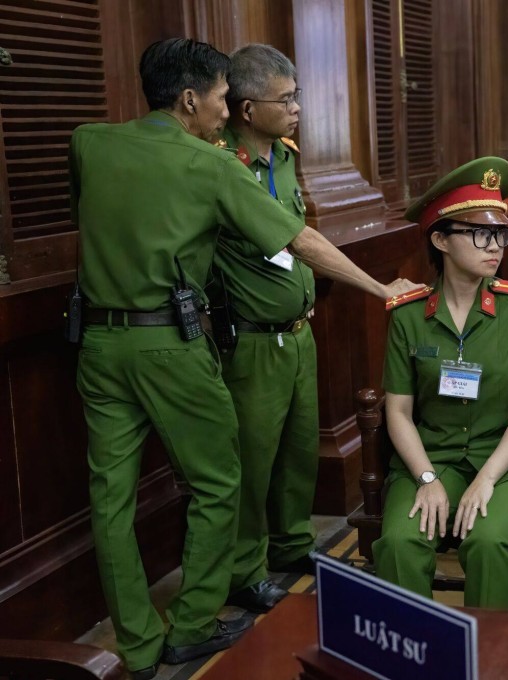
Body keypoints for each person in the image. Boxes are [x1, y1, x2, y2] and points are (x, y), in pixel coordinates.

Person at [71, 38, 416, 679]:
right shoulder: (213, 165)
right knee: (219, 479)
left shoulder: (89, 142)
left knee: (110, 498)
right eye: (224, 97)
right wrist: (378, 288)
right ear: (189, 98)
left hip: (96, 341)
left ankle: (139, 646)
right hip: (171, 345)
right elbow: (301, 240)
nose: (228, 108)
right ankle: (193, 624)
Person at [372, 157, 508, 611]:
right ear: (440, 239)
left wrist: (487, 479)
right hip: (430, 456)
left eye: (500, 234)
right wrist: (426, 477)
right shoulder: (408, 314)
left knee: (488, 542)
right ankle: (415, 656)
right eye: (480, 234)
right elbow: (397, 411)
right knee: (399, 542)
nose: (495, 245)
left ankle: (485, 662)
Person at [211, 44, 326, 615]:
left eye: (297, 95)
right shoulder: (218, 163)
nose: (298, 108)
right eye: (286, 100)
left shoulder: (284, 156)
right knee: (252, 460)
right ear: (247, 108)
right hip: (252, 339)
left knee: (299, 450)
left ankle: (292, 543)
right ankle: (244, 570)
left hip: (300, 331)